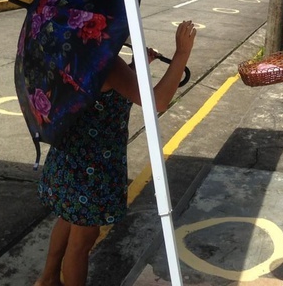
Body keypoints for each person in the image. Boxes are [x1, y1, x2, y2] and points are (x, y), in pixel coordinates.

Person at [35, 20, 196, 286]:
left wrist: (136, 67)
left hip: (71, 158)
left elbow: (105, 91)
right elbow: (159, 101)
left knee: (67, 220)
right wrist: (182, 53)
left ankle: (47, 280)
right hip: (93, 169)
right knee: (82, 242)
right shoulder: (106, 63)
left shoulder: (73, 51)